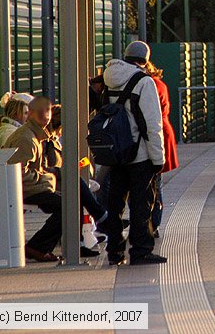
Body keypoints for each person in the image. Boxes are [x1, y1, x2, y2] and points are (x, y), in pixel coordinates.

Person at [101, 41, 166, 266]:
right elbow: (152, 123)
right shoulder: (144, 81)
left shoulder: (107, 77)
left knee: (115, 204)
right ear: (145, 60)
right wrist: (158, 159)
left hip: (116, 153)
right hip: (139, 154)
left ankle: (115, 252)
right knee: (141, 204)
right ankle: (140, 251)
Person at [43, 104, 109, 257]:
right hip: (51, 180)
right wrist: (66, 170)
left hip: (57, 178)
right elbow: (46, 168)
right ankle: (101, 217)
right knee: (76, 187)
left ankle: (86, 234)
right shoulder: (46, 141)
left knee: (77, 187)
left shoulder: (52, 139)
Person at [5, 97, 63, 262]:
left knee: (71, 201)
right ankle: (37, 247)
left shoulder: (35, 135)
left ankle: (40, 246)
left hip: (29, 186)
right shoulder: (26, 138)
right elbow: (18, 173)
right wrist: (47, 178)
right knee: (66, 206)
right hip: (24, 188)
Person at [143, 61, 179, 236]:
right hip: (163, 132)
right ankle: (153, 223)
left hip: (156, 135)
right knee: (157, 182)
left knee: (153, 183)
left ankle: (152, 223)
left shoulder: (148, 86)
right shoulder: (160, 85)